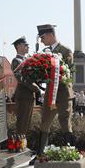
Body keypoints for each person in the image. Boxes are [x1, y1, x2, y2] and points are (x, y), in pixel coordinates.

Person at [35, 24, 75, 156]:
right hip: (50, 94)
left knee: (65, 122)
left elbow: (68, 70)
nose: (41, 40)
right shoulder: (45, 52)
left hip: (63, 93)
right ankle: (40, 154)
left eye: (43, 37)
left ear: (51, 35)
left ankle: (70, 153)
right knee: (44, 122)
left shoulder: (65, 50)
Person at [11, 36, 40, 137]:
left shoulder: (28, 59)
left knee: (27, 123)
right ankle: (19, 144)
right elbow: (21, 78)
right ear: (19, 46)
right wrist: (35, 87)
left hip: (29, 95)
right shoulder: (16, 61)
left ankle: (23, 144)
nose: (28, 46)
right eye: (25, 45)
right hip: (23, 95)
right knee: (22, 122)